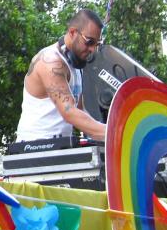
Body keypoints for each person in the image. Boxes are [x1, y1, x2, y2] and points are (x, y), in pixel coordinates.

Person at [16, 8, 107, 142]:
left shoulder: (76, 65)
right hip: (34, 150)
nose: (93, 49)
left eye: (97, 44)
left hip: (58, 149)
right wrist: (112, 133)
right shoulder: (51, 62)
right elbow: (69, 112)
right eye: (89, 42)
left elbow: (80, 110)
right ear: (72, 32)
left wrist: (103, 130)